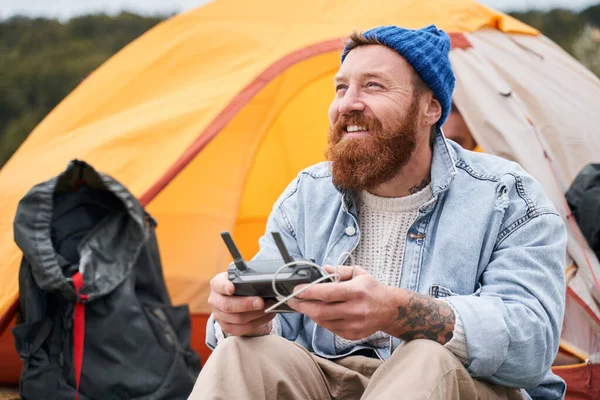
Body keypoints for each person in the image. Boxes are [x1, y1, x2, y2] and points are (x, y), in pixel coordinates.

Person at [189, 25, 567, 400]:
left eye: (373, 86)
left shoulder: (505, 195)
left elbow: (532, 345)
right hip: (328, 379)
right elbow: (275, 324)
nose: (348, 103)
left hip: (452, 384)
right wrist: (238, 317)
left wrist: (397, 312)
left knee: (424, 355)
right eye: (341, 88)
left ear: (430, 108)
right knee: (240, 354)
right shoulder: (308, 194)